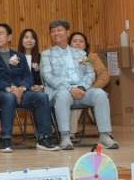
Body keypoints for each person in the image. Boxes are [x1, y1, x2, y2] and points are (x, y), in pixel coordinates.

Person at [0, 23, 59, 153]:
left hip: (19, 92)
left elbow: (28, 76)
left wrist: (22, 88)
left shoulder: (19, 56)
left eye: (0, 34)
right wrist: (8, 88)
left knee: (41, 96)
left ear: (9, 37)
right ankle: (6, 139)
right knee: (9, 97)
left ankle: (44, 138)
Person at [41, 19, 118, 150]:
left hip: (82, 90)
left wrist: (82, 87)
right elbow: (48, 76)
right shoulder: (46, 54)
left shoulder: (81, 54)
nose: (56, 33)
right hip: (61, 91)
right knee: (63, 95)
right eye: (53, 31)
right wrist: (70, 88)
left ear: (67, 33)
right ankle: (65, 137)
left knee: (100, 94)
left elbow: (90, 72)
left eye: (59, 30)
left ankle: (105, 136)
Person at [68, 31, 110, 137]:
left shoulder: (88, 57)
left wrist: (91, 88)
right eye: (75, 41)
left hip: (89, 89)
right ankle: (70, 133)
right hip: (71, 90)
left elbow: (104, 76)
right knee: (75, 96)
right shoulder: (65, 58)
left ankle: (105, 133)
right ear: (69, 44)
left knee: (99, 96)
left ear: (86, 45)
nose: (78, 43)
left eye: (81, 41)